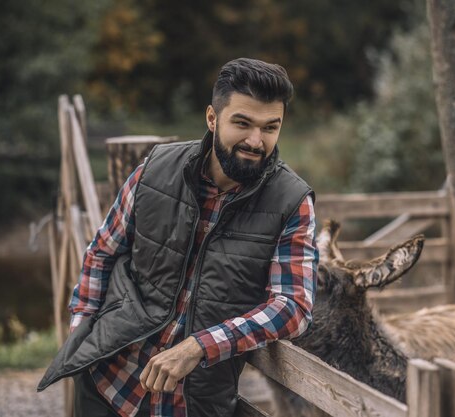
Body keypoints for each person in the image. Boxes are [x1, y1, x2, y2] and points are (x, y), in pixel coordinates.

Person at [38, 58, 318, 417]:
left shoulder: (292, 201)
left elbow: (293, 307)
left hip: (190, 405)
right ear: (212, 119)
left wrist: (199, 347)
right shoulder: (156, 168)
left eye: (270, 127)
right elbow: (102, 253)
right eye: (242, 123)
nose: (255, 141)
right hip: (106, 388)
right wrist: (83, 335)